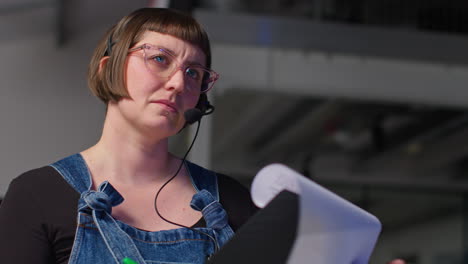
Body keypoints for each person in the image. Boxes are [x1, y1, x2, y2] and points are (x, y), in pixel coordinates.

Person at [0, 8, 257, 264]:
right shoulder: (36, 195)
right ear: (108, 68)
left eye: (193, 72)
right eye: (159, 59)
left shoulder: (234, 200)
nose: (178, 83)